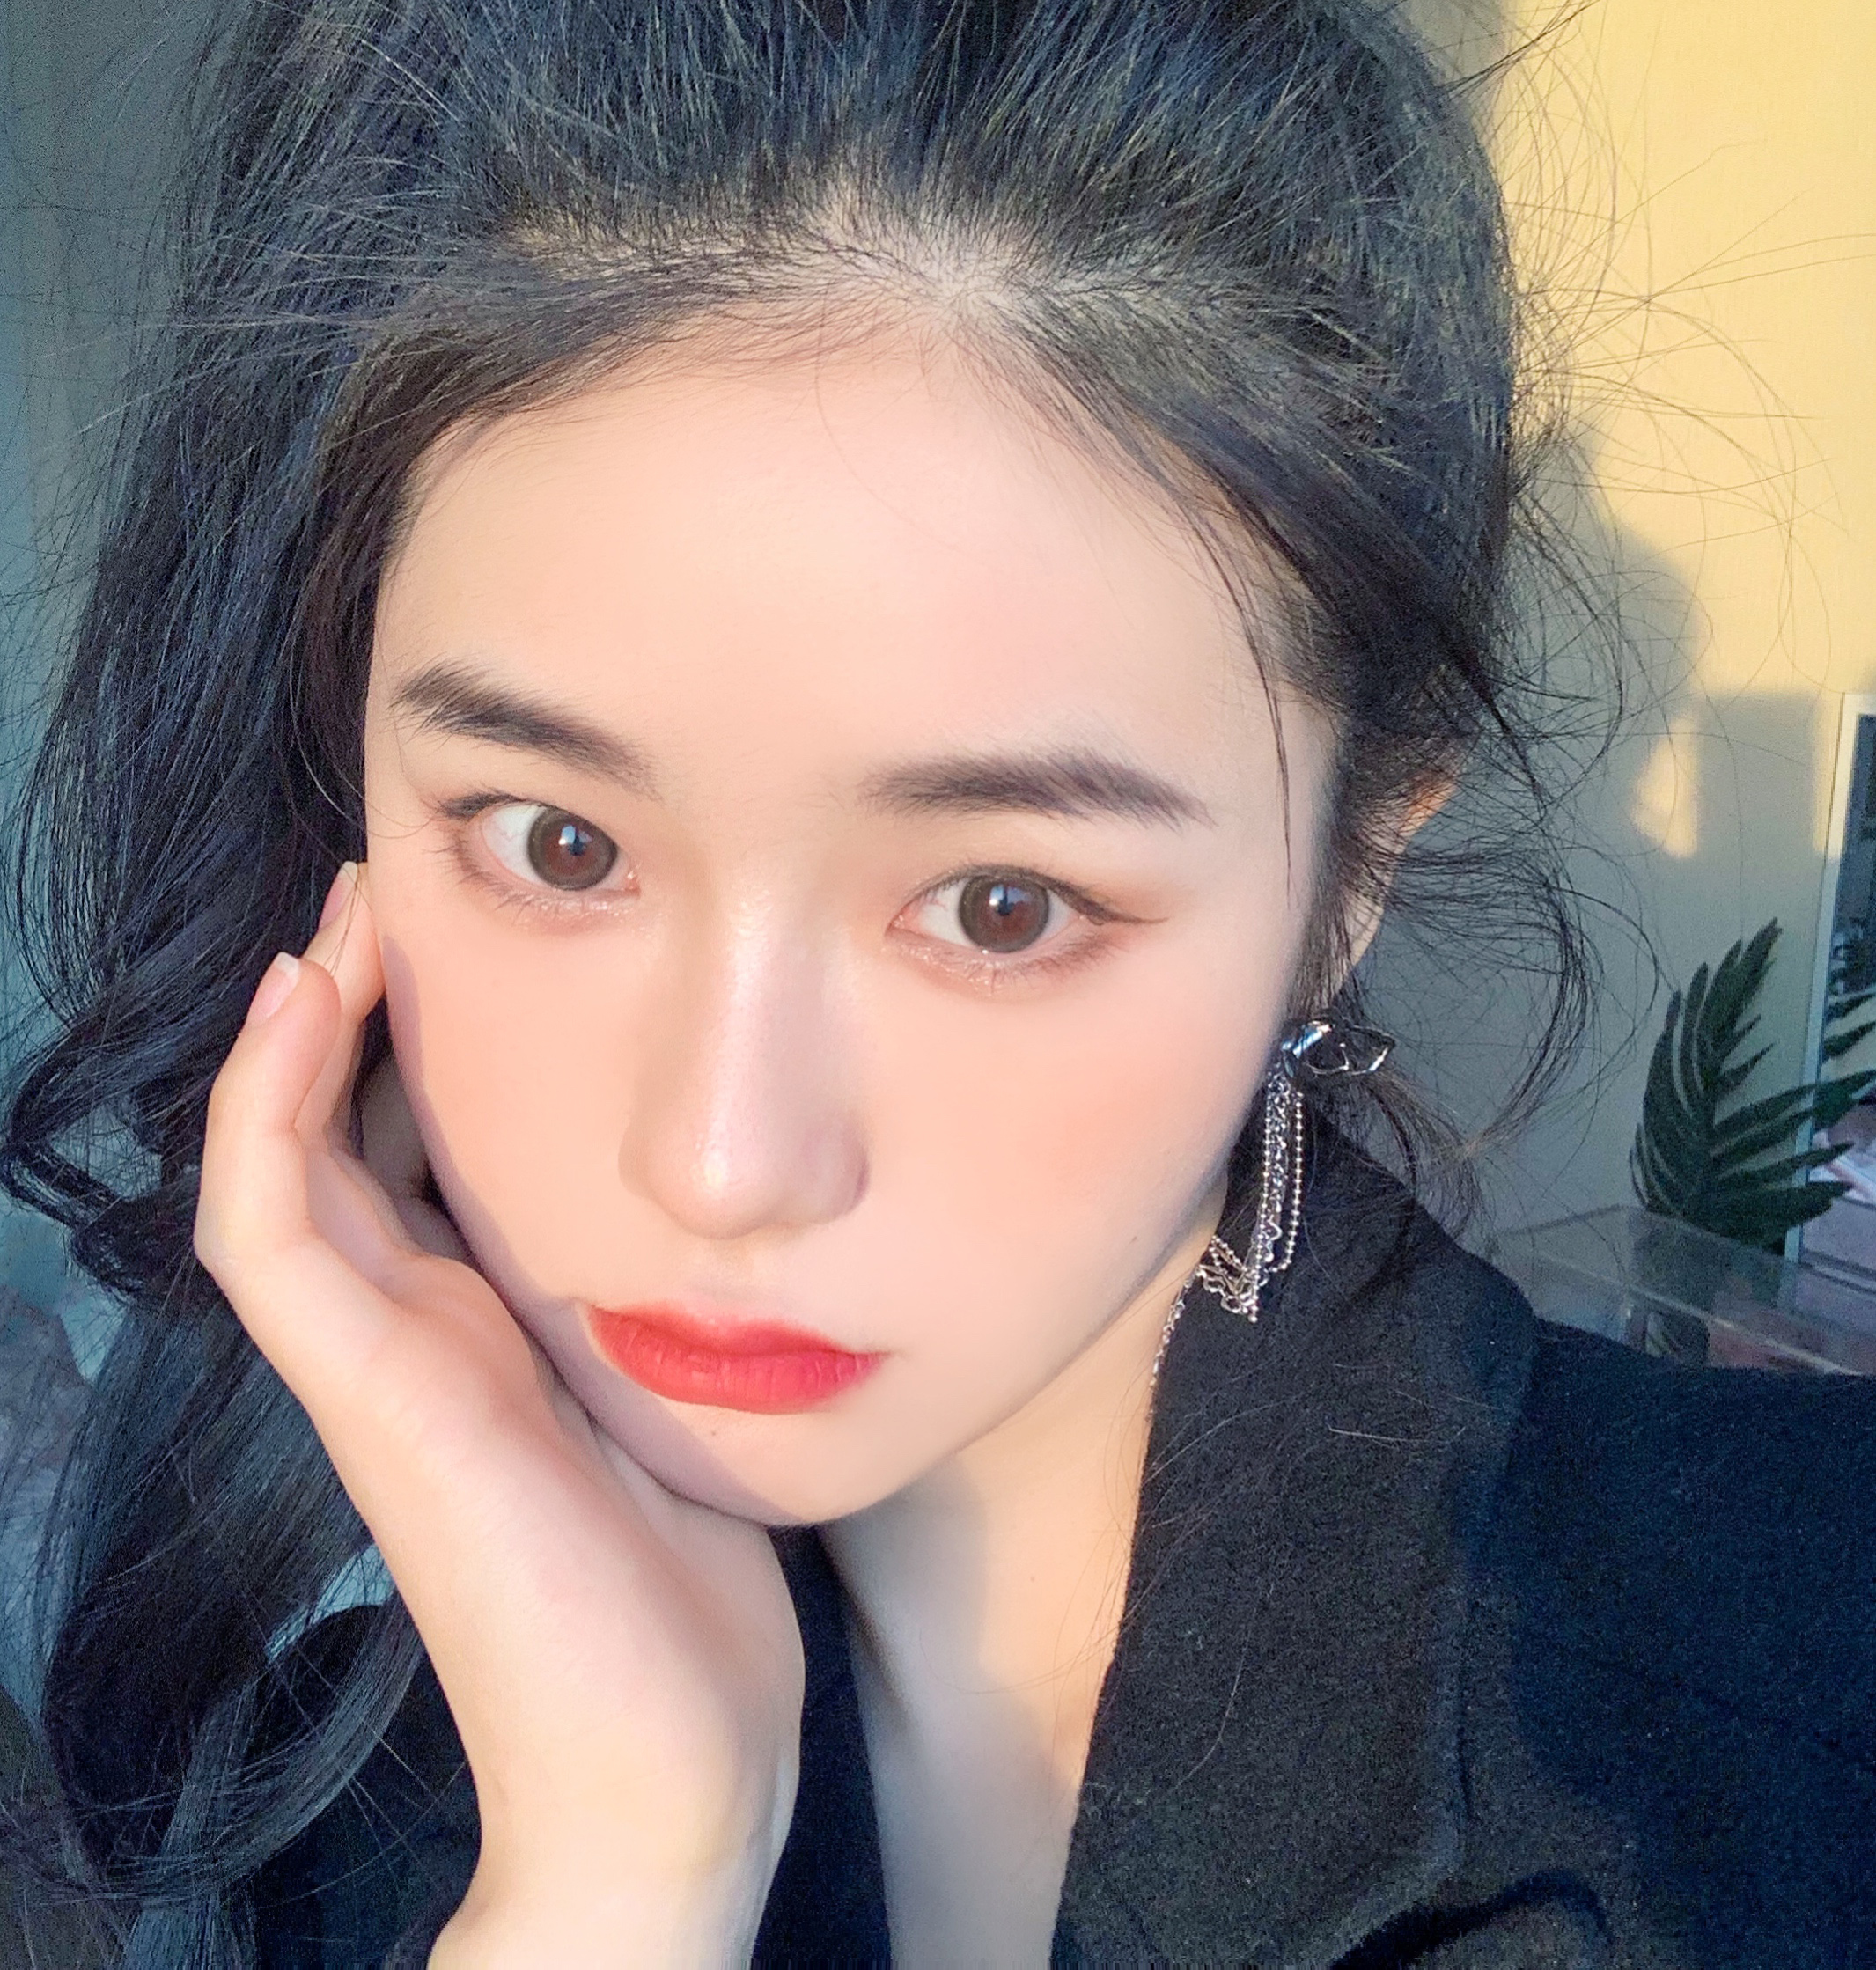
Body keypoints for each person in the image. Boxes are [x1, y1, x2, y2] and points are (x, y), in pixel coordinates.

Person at [1, 0, 1872, 1963]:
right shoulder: (363, 1828)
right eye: (559, 845)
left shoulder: (1801, 1691)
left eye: (1000, 904)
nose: (724, 1163)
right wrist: (622, 1879)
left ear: (1348, 878)